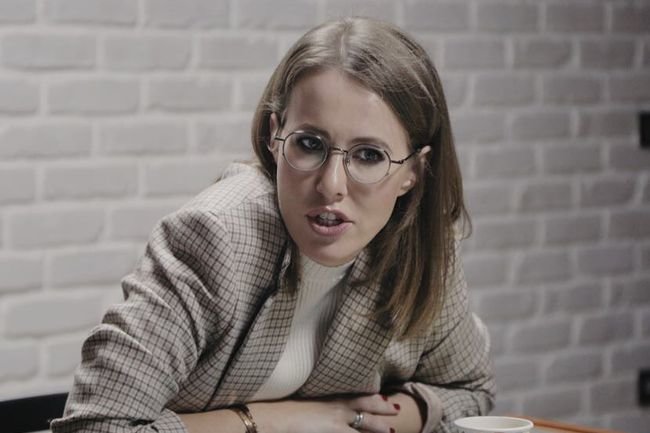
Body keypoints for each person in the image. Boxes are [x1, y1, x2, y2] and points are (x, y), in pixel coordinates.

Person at [51, 17, 494, 433]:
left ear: (414, 171)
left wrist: (363, 420)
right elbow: (97, 427)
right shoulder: (215, 237)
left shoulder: (421, 246)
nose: (331, 185)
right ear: (274, 136)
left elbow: (470, 392)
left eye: (369, 155)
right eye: (309, 144)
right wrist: (272, 420)